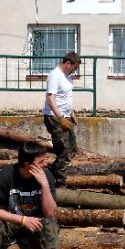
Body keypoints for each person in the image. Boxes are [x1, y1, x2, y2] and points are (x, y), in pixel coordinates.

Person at [43, 52, 81, 188]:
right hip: (54, 118)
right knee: (64, 151)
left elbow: (65, 95)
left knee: (73, 149)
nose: (75, 70)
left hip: (64, 116)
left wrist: (71, 112)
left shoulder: (67, 75)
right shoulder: (55, 75)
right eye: (74, 67)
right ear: (68, 63)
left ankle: (49, 173)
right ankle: (59, 184)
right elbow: (50, 99)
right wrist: (60, 118)